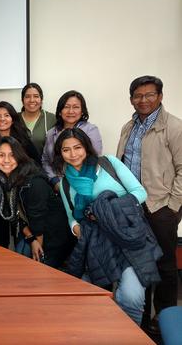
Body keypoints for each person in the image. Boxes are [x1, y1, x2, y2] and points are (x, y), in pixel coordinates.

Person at [53, 128, 162, 325]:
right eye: (66, 150)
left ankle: (128, 335)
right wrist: (77, 228)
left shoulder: (109, 163)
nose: (73, 154)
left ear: (86, 147)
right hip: (95, 242)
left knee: (131, 297)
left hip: (126, 236)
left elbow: (139, 192)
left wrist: (106, 211)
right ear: (60, 153)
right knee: (86, 299)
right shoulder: (65, 183)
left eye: (77, 147)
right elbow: (71, 217)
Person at [117, 75, 182, 330]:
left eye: (149, 95)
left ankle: (164, 318)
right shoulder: (128, 127)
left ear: (160, 96)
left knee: (164, 263)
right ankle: (140, 317)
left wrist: (172, 206)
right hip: (132, 207)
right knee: (139, 262)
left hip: (159, 206)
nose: (143, 100)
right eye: (138, 96)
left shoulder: (174, 128)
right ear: (131, 99)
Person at [0, 136, 75, 268]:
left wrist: (37, 247)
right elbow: (13, 215)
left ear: (20, 157)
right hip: (32, 231)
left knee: (36, 269)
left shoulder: (34, 182)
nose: (6, 160)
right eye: (1, 155)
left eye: (12, 155)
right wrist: (31, 238)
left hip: (53, 236)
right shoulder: (1, 180)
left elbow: (38, 220)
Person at [0, 101, 40, 246]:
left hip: (20, 196)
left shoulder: (24, 141)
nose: (2, 119)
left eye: (6, 115)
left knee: (22, 236)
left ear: (13, 118)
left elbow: (36, 165)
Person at [42, 90, 102, 190]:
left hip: (83, 185)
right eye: (66, 107)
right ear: (60, 111)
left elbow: (94, 159)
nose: (71, 111)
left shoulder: (91, 130)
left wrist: (78, 185)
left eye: (76, 107)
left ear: (82, 111)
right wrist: (55, 181)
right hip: (58, 186)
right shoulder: (51, 133)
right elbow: (45, 161)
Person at [20, 83, 56, 156]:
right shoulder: (14, 118)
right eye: (27, 97)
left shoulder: (52, 119)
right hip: (19, 166)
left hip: (44, 165)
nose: (32, 100)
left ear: (41, 99)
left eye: (36, 96)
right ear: (22, 100)